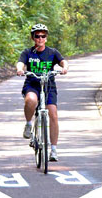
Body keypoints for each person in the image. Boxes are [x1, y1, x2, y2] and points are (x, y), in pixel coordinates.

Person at [16, 23, 68, 162]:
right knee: (31, 101)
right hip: (33, 84)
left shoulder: (52, 52)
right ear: (33, 38)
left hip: (48, 85)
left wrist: (64, 68)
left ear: (46, 38)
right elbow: (20, 63)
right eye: (37, 36)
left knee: (53, 114)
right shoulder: (28, 53)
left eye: (43, 36)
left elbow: (63, 61)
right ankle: (28, 123)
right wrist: (20, 69)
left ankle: (54, 150)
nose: (40, 39)